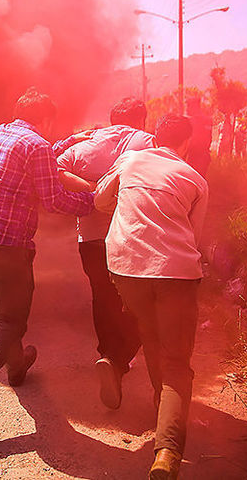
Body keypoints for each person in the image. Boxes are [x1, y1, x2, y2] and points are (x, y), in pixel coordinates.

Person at [0, 88, 94, 431]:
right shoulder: (38, 145)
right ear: (45, 119)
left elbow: (34, 154)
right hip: (5, 246)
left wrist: (68, 141)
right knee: (12, 321)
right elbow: (53, 199)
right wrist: (91, 203)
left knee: (2, 311)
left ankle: (16, 367)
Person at [94, 114, 208, 480]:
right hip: (175, 272)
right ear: (187, 143)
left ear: (156, 137)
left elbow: (99, 200)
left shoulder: (130, 159)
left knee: (151, 336)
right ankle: (167, 453)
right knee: (176, 359)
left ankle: (162, 405)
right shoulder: (195, 179)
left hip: (126, 268)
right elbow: (194, 234)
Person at [55, 96, 155, 409]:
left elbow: (55, 167)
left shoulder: (87, 141)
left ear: (112, 119)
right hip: (129, 236)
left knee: (103, 297)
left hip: (91, 237)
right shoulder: (144, 140)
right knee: (140, 301)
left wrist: (91, 187)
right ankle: (118, 360)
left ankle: (106, 356)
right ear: (141, 119)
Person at [185, 94, 213, 177]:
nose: (186, 109)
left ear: (193, 106)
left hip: (194, 157)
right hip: (204, 156)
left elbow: (193, 140)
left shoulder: (190, 121)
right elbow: (209, 139)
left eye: (188, 106)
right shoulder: (208, 120)